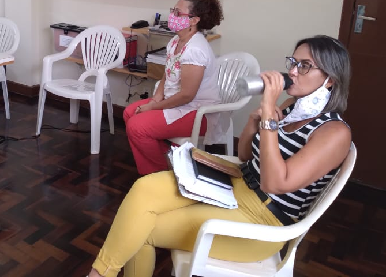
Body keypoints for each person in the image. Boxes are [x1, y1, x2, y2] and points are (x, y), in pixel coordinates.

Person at [87, 35, 352, 277]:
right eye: (293, 62)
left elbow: (275, 183)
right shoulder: (293, 107)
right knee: (144, 187)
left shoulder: (334, 132)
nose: (292, 71)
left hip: (262, 221)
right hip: (237, 184)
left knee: (141, 231)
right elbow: (246, 155)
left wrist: (269, 118)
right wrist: (254, 121)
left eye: (305, 66)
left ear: (330, 79)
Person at [124, 0, 223, 175]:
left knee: (136, 127)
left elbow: (187, 95)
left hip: (197, 112)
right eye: (173, 11)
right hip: (176, 104)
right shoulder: (176, 41)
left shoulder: (195, 50)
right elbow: (168, 73)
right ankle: (169, 161)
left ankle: (160, 174)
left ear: (194, 20)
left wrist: (153, 107)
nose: (172, 15)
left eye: (178, 13)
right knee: (129, 113)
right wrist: (156, 98)